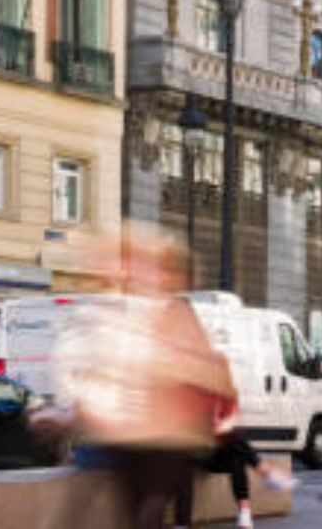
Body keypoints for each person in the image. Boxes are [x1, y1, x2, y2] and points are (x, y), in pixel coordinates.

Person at [53, 227, 239, 529]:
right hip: (133, 435)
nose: (141, 274)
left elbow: (216, 375)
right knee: (129, 514)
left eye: (152, 268)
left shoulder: (179, 312)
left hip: (175, 436)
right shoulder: (125, 313)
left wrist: (177, 365)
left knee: (146, 513)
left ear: (171, 276)